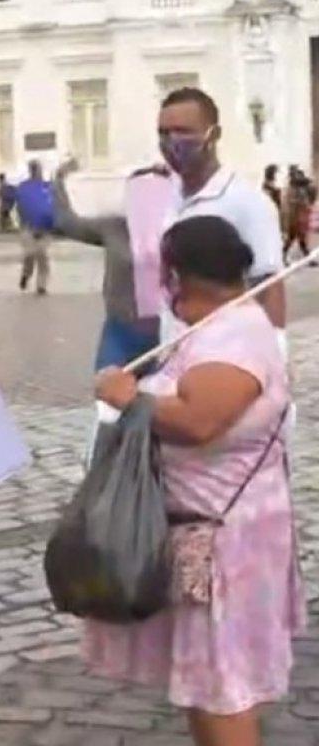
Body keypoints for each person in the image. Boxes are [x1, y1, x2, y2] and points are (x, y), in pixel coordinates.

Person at [91, 215, 303, 746]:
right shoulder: (214, 330)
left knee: (224, 689)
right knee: (204, 687)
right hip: (202, 537)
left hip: (226, 545)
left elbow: (198, 421)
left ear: (178, 276)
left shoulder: (235, 338)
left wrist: (130, 399)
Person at [155, 88, 285, 341]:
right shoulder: (167, 195)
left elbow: (269, 287)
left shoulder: (247, 202)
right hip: (177, 352)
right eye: (163, 133)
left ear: (213, 135)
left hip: (227, 354)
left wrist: (276, 355)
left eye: (183, 131)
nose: (171, 141)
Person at [51, 158, 161, 369]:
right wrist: (58, 182)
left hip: (164, 334)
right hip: (120, 328)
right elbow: (68, 223)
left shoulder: (179, 228)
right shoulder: (115, 227)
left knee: (155, 397)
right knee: (107, 390)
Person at [14, 160, 55, 294]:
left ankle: (41, 286)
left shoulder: (47, 186)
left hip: (45, 228)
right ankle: (26, 275)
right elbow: (20, 207)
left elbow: (53, 204)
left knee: (43, 257)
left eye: (38, 168)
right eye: (35, 169)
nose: (37, 171)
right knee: (29, 256)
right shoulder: (23, 187)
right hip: (28, 227)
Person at [283, 165, 313, 263]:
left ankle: (308, 258)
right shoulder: (292, 187)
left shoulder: (297, 187)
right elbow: (305, 182)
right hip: (295, 217)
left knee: (300, 240)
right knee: (293, 239)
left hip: (298, 216)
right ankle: (283, 257)